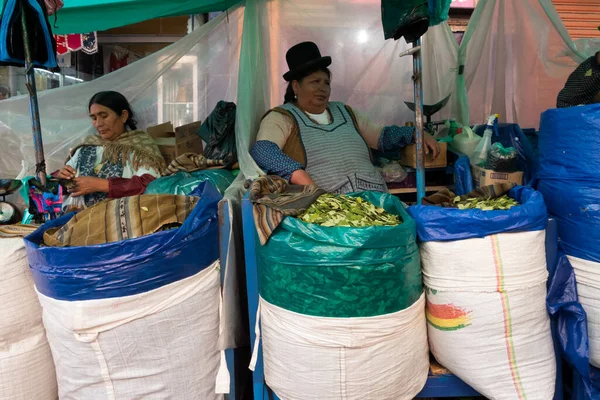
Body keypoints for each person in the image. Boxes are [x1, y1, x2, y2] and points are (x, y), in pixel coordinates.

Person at [250, 41, 439, 194]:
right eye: (314, 82)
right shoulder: (282, 117)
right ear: (295, 87)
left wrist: (416, 133)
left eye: (326, 82)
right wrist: (298, 174)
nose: (322, 88)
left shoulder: (345, 112)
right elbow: (263, 150)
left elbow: (381, 137)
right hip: (328, 207)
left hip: (375, 198)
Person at [57, 91, 165, 209]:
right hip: (76, 216)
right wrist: (64, 179)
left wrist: (102, 185)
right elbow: (67, 187)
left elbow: (150, 184)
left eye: (104, 116)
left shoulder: (140, 148)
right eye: (94, 118)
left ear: (123, 116)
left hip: (118, 219)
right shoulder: (87, 146)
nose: (98, 123)